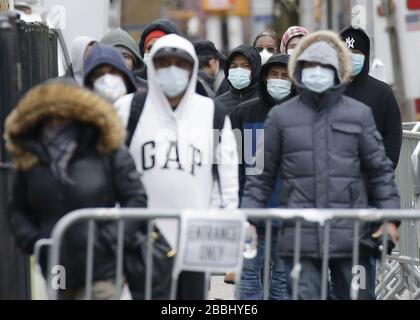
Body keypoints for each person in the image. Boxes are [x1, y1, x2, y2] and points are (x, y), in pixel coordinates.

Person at [240, 30, 400, 300]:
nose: (317, 72)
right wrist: (250, 220)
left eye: (324, 67)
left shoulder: (358, 115)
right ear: (299, 70)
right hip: (301, 238)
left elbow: (380, 171)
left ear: (337, 71)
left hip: (352, 236)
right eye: (309, 66)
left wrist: (391, 218)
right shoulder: (281, 117)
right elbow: (261, 176)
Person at [5, 79, 148, 300]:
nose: (56, 123)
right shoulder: (31, 158)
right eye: (49, 117)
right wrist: (35, 241)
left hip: (102, 267)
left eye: (63, 116)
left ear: (80, 116)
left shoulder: (106, 149)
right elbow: (17, 210)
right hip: (56, 266)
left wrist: (110, 239)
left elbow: (135, 199)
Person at [121, 34, 239, 299]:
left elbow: (227, 178)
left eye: (180, 63)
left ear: (192, 69)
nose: (172, 70)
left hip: (195, 241)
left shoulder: (213, 113)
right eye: (164, 63)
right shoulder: (128, 109)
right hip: (139, 240)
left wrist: (221, 227)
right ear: (152, 67)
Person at [230, 54, 295, 300]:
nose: (279, 81)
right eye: (274, 75)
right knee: (247, 281)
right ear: (265, 78)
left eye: (285, 76)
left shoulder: (301, 114)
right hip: (251, 214)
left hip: (287, 214)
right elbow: (230, 162)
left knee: (282, 283)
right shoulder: (242, 113)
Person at [340, 26, 402, 168]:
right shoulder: (328, 90)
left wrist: (382, 171)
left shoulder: (383, 92)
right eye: (345, 51)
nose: (350, 56)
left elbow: (392, 137)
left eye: (356, 52)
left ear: (365, 56)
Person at [83, 43, 138, 119]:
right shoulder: (81, 124)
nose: (107, 78)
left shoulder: (142, 113)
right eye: (99, 74)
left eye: (113, 71)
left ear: (124, 75)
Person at [215, 45, 262, 115]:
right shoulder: (218, 104)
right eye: (234, 66)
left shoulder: (264, 101)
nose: (238, 70)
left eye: (245, 66)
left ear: (255, 69)